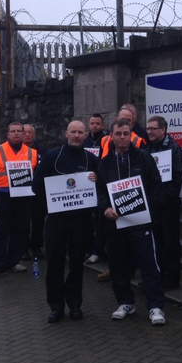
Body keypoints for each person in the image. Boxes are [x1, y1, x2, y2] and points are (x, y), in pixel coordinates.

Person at [96, 118, 166, 325]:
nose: (122, 138)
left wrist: (147, 210)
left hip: (141, 224)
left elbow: (156, 187)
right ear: (111, 136)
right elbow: (100, 191)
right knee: (118, 266)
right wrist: (105, 208)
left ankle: (155, 307)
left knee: (149, 265)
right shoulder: (105, 163)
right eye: (118, 134)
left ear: (131, 135)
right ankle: (126, 302)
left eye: (126, 134)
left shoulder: (144, 158)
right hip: (115, 225)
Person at [33, 121, 99, 323]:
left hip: (81, 222)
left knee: (77, 264)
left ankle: (75, 304)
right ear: (66, 133)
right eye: (73, 132)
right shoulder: (52, 157)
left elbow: (102, 186)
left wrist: (97, 179)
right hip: (57, 220)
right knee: (54, 264)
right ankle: (56, 306)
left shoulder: (91, 159)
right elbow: (37, 186)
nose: (77, 135)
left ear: (85, 135)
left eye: (80, 132)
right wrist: (52, 204)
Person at [0, 122, 37, 279]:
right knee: (0, 232)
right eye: (14, 131)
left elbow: (37, 175)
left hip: (23, 197)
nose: (17, 134)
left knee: (21, 231)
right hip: (3, 198)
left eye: (20, 131)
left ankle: (13, 262)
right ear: (8, 134)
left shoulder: (32, 153)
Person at [146, 115, 182, 290]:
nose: (149, 131)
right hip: (153, 204)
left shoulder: (174, 149)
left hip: (168, 204)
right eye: (148, 129)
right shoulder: (149, 148)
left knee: (170, 242)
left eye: (153, 128)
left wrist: (166, 197)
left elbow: (178, 176)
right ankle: (159, 276)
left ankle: (172, 278)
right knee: (156, 242)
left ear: (163, 130)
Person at [83, 113, 108, 265]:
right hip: (84, 186)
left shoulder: (105, 140)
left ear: (102, 125)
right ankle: (89, 248)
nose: (94, 126)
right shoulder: (84, 141)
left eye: (97, 123)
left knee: (99, 221)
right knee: (86, 221)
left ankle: (98, 251)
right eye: (92, 123)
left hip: (99, 185)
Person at [23, 124, 48, 260]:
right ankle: (23, 248)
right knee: (23, 221)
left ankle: (36, 247)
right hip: (21, 192)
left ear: (34, 135)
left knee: (38, 221)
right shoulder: (16, 150)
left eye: (29, 133)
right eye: (24, 132)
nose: (27, 135)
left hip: (39, 192)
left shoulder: (42, 150)